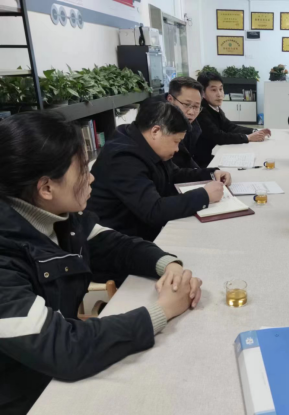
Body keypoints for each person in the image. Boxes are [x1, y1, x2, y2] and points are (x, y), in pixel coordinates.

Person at [0, 111, 203, 414]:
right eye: (83, 171)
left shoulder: (61, 216)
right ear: (46, 188)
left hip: (51, 374)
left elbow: (112, 244)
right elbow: (62, 348)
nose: (92, 177)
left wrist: (168, 265)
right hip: (26, 394)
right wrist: (162, 311)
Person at [87, 100, 231, 242]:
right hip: (120, 241)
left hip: (143, 231)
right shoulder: (123, 159)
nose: (177, 149)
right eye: (176, 142)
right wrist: (204, 196)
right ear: (155, 131)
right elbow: (153, 211)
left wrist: (211, 174)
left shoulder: (145, 142)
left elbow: (173, 174)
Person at [195, 72, 272, 167]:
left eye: (221, 89)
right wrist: (248, 138)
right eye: (214, 90)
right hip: (204, 163)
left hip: (215, 153)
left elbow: (230, 126)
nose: (219, 94)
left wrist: (255, 131)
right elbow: (219, 136)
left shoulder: (214, 107)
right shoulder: (201, 111)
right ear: (202, 93)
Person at [149, 76, 204, 169]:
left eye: (196, 106)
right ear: (170, 99)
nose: (191, 112)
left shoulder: (188, 121)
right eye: (186, 104)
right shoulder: (160, 125)